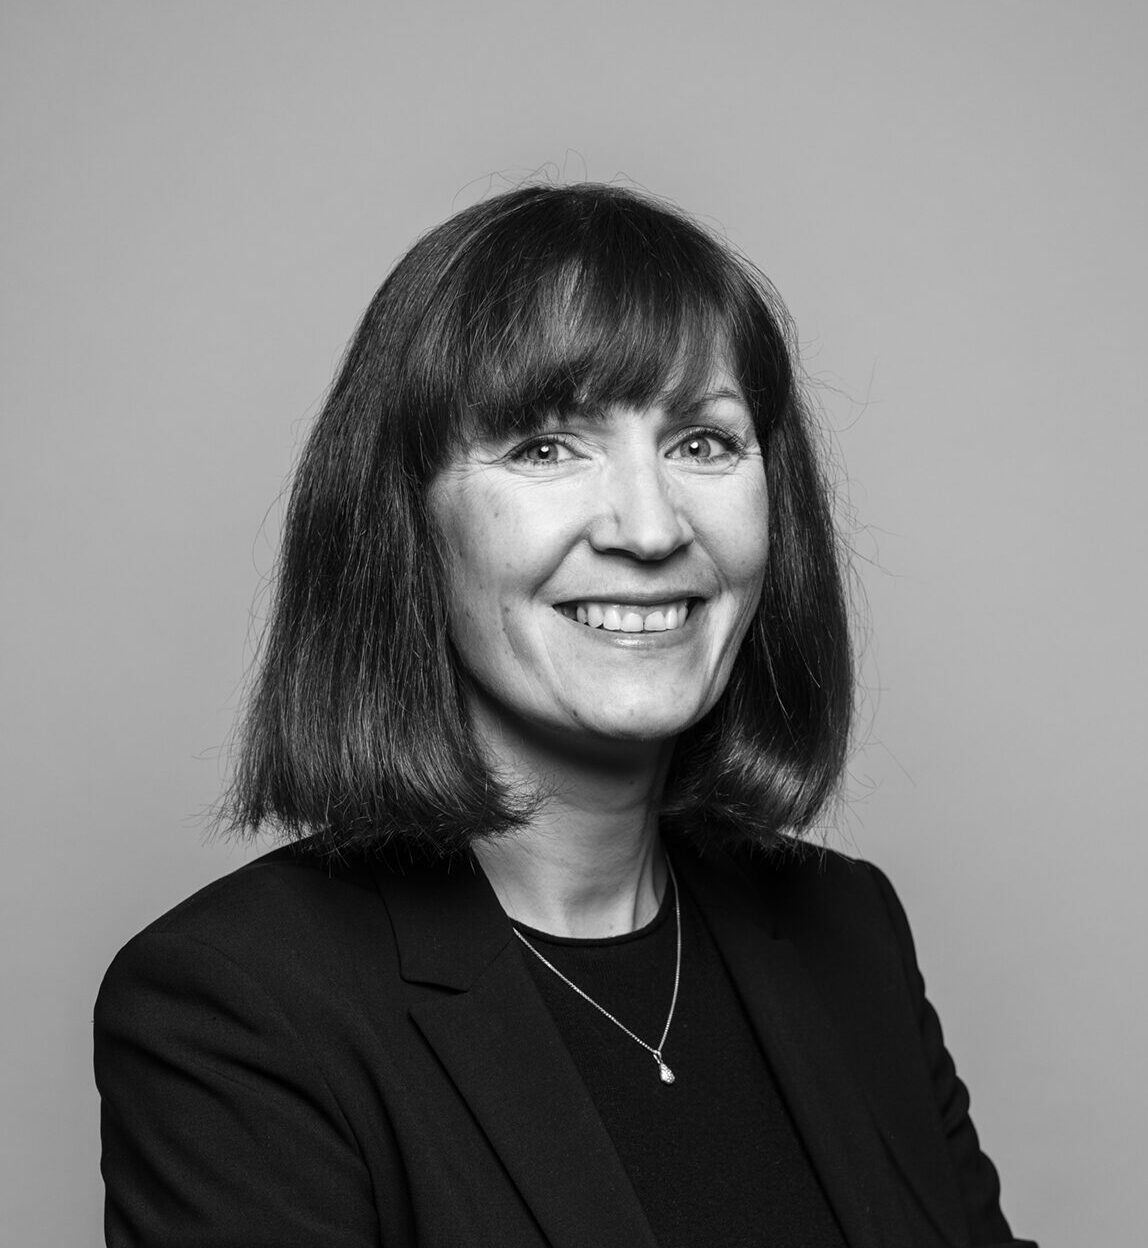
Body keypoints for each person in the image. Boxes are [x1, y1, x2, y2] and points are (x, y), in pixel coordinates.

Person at [94, 183, 1036, 1248]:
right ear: (404, 525)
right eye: (545, 447)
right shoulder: (236, 1007)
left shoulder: (847, 930)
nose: (649, 527)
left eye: (702, 443)